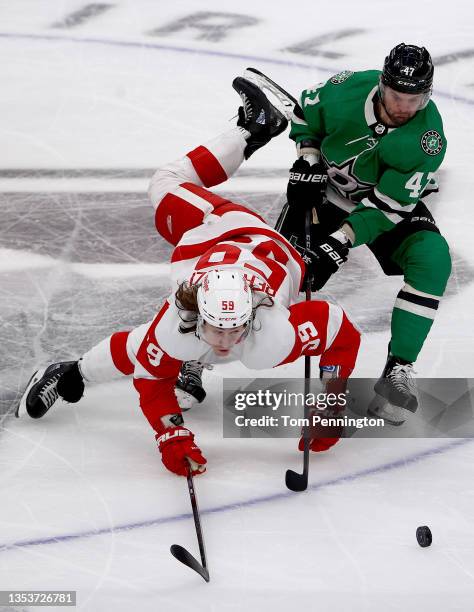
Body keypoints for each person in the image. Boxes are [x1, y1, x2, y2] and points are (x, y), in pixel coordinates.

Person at [17, 78, 361, 477]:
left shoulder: (274, 333)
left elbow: (341, 336)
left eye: (235, 331)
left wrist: (333, 400)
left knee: (161, 347)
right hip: (219, 229)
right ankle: (70, 371)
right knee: (142, 342)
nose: (227, 343)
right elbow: (149, 378)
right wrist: (171, 435)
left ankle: (251, 129)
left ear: (254, 316)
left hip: (266, 254)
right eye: (218, 329)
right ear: (196, 312)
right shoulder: (177, 321)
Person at [278, 43, 450, 413]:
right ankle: (198, 351)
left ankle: (398, 368)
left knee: (432, 259)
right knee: (276, 278)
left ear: (427, 95)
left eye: (415, 99)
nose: (404, 108)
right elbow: (304, 112)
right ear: (382, 85)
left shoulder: (426, 139)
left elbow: (388, 207)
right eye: (396, 96)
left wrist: (340, 243)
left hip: (380, 205)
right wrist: (307, 158)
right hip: (323, 195)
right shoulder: (348, 88)